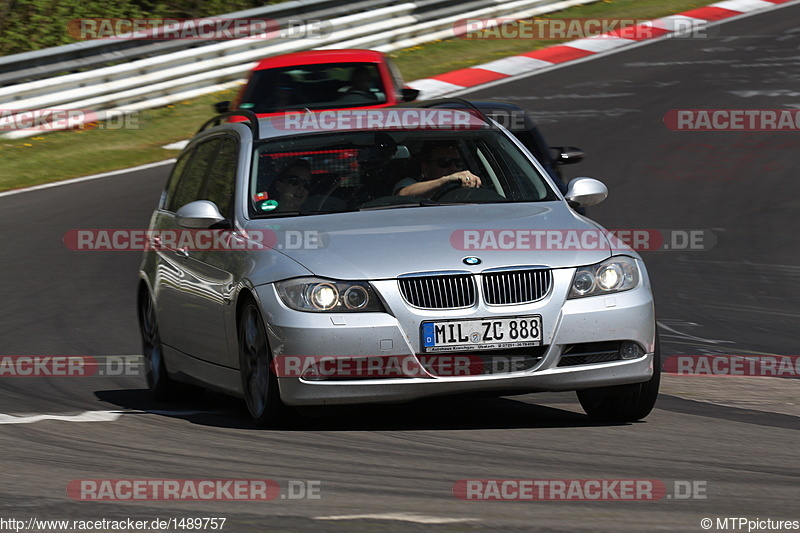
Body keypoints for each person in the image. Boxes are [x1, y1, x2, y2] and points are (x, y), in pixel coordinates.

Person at [394, 142, 482, 198]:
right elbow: (402, 194)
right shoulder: (410, 183)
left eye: (458, 162)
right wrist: (446, 180)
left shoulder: (468, 184)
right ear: (426, 169)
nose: (454, 168)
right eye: (445, 162)